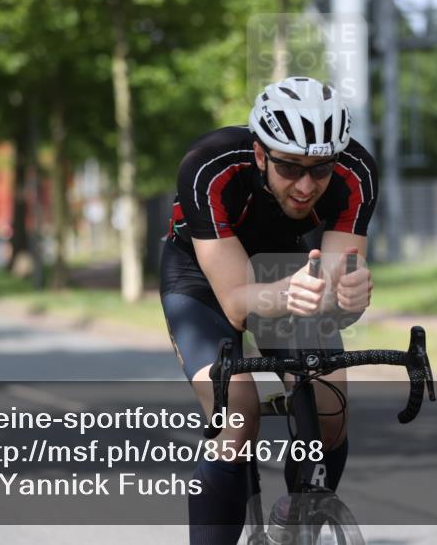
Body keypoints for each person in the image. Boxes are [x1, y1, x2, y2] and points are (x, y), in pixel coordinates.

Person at [159, 76, 378, 544]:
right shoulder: (208, 165)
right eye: (290, 167)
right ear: (260, 153)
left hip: (288, 264)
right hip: (201, 274)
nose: (305, 185)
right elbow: (238, 305)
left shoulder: (355, 172)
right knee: (238, 417)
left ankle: (297, 516)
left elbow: (336, 280)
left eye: (320, 170)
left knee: (330, 414)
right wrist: (290, 294)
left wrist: (350, 298)